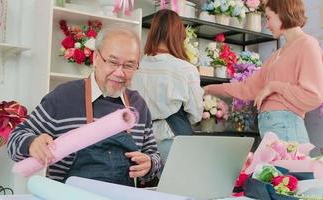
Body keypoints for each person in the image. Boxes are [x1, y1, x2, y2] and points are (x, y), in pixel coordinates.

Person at [7, 25, 161, 186]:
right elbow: (14, 139)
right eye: (113, 62)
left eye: (129, 65)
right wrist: (31, 143)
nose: (120, 73)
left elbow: (154, 155)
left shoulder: (138, 106)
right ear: (95, 58)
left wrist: (150, 164)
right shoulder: (64, 97)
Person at [204, 0, 323, 143]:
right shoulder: (277, 55)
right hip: (272, 130)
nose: (266, 25)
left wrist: (273, 86)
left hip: (287, 128)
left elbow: (313, 96)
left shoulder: (307, 44)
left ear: (282, 14)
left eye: (268, 17)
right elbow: (246, 88)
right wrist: (208, 89)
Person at [131, 9, 204, 164]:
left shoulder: (135, 67)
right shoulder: (185, 69)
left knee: (143, 188)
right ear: (179, 36)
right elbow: (196, 113)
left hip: (139, 141)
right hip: (173, 139)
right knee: (176, 187)